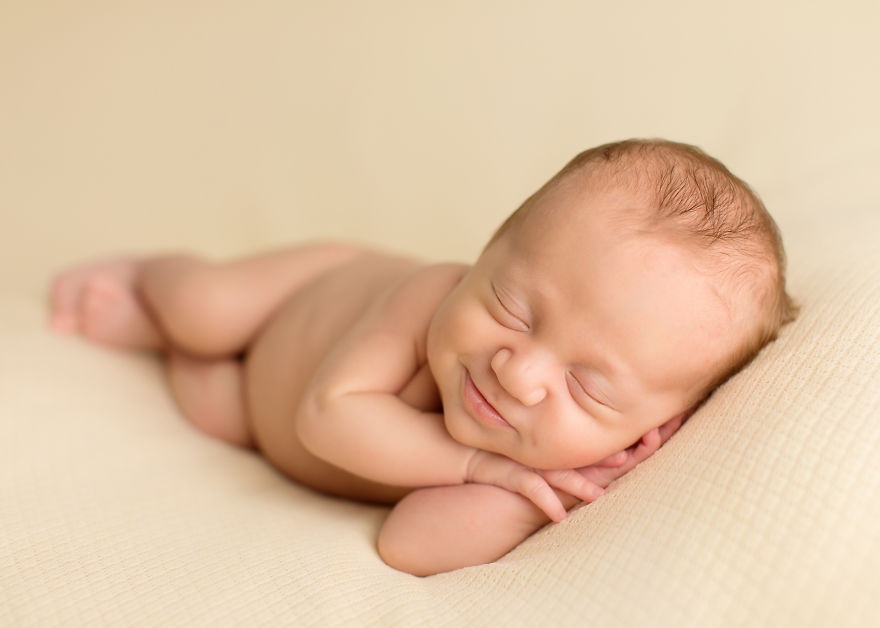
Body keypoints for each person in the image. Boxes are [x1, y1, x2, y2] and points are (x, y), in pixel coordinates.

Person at [48, 139, 798, 576]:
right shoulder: (430, 300)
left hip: (254, 417)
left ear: (648, 436)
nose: (519, 371)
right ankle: (158, 278)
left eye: (587, 387)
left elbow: (408, 544)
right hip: (299, 302)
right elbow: (325, 416)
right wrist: (480, 465)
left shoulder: (540, 473)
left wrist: (535, 494)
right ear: (483, 252)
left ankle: (166, 348)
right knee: (207, 314)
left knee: (213, 405)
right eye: (511, 306)